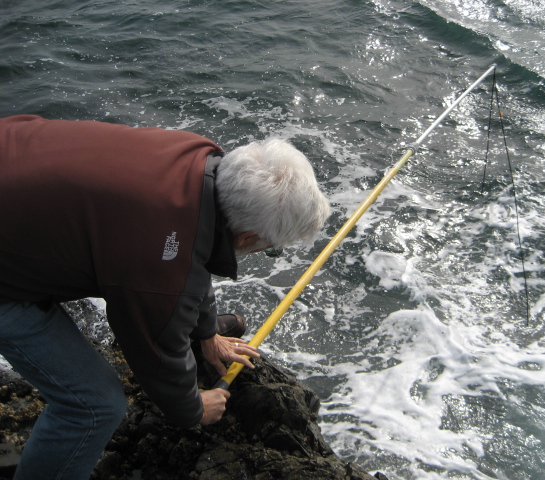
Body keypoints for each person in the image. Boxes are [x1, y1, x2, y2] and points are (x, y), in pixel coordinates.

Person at [0, 115, 330, 480]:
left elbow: (192, 246)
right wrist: (193, 408)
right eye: (269, 248)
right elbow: (154, 350)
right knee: (96, 407)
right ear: (247, 238)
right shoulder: (159, 269)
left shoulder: (195, 153)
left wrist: (207, 332)